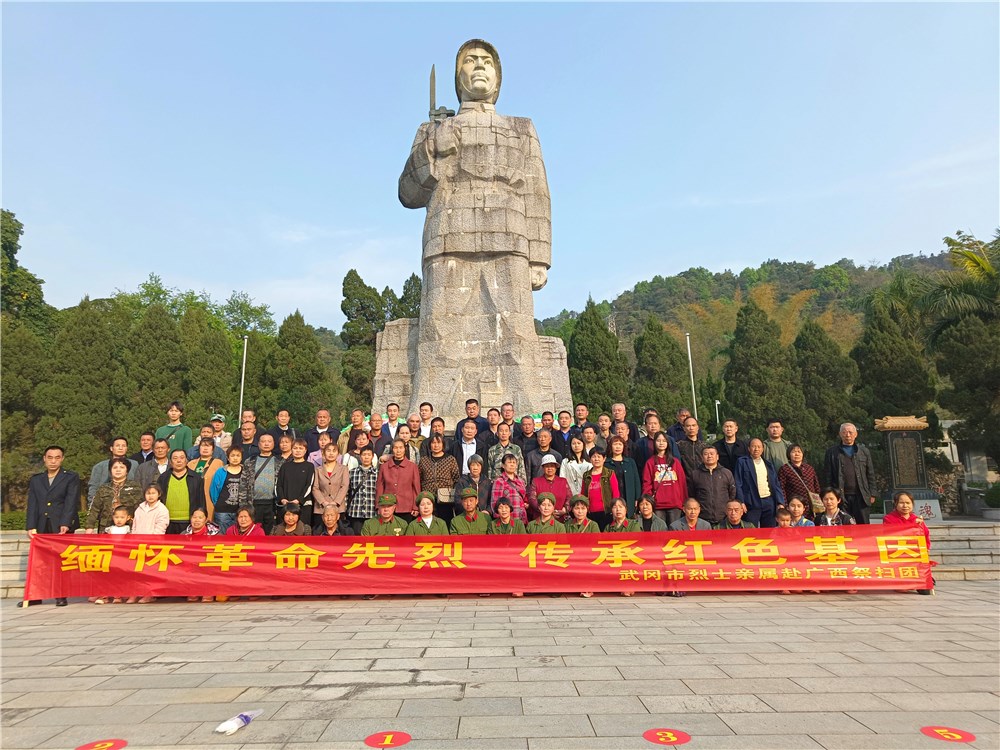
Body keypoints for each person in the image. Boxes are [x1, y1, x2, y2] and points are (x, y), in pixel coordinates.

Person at [22, 446, 79, 607]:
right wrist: (30, 525)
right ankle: (35, 595)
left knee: (61, 561)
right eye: (50, 457)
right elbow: (32, 503)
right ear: (44, 459)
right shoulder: (36, 479)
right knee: (39, 562)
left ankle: (61, 595)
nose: (53, 461)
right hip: (41, 524)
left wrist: (65, 523)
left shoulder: (70, 477)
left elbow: (71, 501)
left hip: (61, 525)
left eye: (57, 457)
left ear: (62, 459)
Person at [823, 422, 878, 525]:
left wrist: (872, 493)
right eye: (844, 432)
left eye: (850, 432)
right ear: (840, 434)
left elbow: (870, 473)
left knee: (864, 525)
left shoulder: (864, 451)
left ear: (856, 434)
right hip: (840, 496)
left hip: (861, 495)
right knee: (842, 525)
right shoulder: (831, 452)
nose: (847, 435)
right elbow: (827, 475)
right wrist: (829, 494)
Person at [883, 491, 932, 595]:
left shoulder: (917, 520)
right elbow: (890, 536)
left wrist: (920, 527)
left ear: (912, 504)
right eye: (901, 503)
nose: (905, 506)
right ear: (895, 504)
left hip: (914, 554)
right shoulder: (889, 519)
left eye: (908, 503)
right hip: (897, 552)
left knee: (925, 591)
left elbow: (925, 538)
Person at [734, 438, 784, 528]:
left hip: (768, 501)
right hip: (751, 502)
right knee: (750, 531)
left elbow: (776, 484)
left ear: (762, 449)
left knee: (769, 531)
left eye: (759, 447)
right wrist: (741, 502)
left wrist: (780, 502)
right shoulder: (742, 462)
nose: (756, 449)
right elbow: (738, 483)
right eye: (753, 446)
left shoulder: (768, 464)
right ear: (749, 448)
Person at [641, 431, 688, 526]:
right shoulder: (650, 462)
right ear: (654, 443)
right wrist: (648, 501)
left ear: (668, 443)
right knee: (659, 531)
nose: (661, 443)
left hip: (675, 503)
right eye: (658, 440)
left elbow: (682, 483)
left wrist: (684, 502)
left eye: (664, 441)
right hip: (658, 504)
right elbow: (647, 483)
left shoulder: (675, 462)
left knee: (674, 531)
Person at [86, 458, 143, 532]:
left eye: (122, 467)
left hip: (129, 528)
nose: (118, 470)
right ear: (110, 471)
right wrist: (89, 527)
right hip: (105, 528)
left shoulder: (135, 487)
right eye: (115, 467)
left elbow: (140, 509)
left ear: (127, 471)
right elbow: (94, 509)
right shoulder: (103, 488)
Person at [686, 445, 737, 527]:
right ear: (702, 457)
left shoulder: (726, 473)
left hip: (723, 518)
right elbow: (692, 494)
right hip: (703, 518)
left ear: (717, 457)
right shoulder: (695, 474)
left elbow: (732, 493)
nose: (709, 456)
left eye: (712, 454)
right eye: (706, 454)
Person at [241, 434, 283, 532]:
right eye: (263, 441)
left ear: (273, 444)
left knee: (271, 531)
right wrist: (243, 505)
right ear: (259, 444)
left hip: (272, 504)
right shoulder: (250, 461)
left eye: (269, 441)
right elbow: (243, 484)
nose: (266, 444)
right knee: (254, 531)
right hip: (253, 503)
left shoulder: (280, 462)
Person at [158, 449, 206, 533]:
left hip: (188, 521)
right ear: (170, 462)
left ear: (186, 460)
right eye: (175, 458)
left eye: (182, 457)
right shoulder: (163, 478)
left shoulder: (196, 478)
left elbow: (201, 500)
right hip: (167, 521)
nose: (179, 461)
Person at [87, 437, 138, 507]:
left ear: (126, 448)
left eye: (123, 446)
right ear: (111, 448)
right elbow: (93, 487)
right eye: (117, 446)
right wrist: (92, 505)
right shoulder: (99, 466)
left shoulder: (134, 464)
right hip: (105, 505)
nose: (120, 448)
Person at [376, 438, 421, 517]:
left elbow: (416, 488)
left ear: (405, 449)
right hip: (388, 506)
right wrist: (378, 506)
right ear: (392, 449)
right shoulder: (384, 467)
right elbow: (380, 487)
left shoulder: (412, 467)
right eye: (395, 448)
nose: (398, 450)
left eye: (401, 447)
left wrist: (416, 507)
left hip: (407, 507)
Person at [418, 435, 460, 517]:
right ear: (430, 445)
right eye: (433, 442)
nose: (436, 445)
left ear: (443, 444)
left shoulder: (450, 459)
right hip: (428, 497)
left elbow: (456, 478)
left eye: (439, 442)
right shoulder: (424, 460)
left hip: (446, 498)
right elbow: (420, 478)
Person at [209, 446, 248, 533]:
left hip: (240, 511)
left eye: (238, 456)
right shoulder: (221, 471)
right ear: (228, 457)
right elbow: (213, 490)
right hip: (222, 510)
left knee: (238, 535)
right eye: (232, 455)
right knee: (222, 535)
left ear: (241, 457)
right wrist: (218, 503)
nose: (235, 458)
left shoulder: (246, 471)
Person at [778, 444, 821, 520]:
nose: (797, 454)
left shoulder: (809, 468)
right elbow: (781, 488)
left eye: (799, 451)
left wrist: (818, 501)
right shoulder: (784, 469)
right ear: (789, 454)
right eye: (794, 452)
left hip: (810, 506)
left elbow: (816, 486)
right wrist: (784, 504)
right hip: (794, 506)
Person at [579, 448, 618, 529]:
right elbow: (583, 494)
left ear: (604, 459)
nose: (596, 459)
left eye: (599, 456)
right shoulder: (586, 475)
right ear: (590, 459)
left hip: (606, 512)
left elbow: (615, 492)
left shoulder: (609, 474)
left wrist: (614, 509)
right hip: (590, 512)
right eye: (593, 457)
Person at [312, 442, 349, 525]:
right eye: (328, 451)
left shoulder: (343, 469)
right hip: (321, 508)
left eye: (334, 451)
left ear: (338, 454)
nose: (331, 453)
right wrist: (323, 502)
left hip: (338, 508)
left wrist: (335, 502)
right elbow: (315, 488)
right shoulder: (318, 470)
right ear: (323, 453)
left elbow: (344, 486)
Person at [276, 438, 314, 519]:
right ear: (291, 450)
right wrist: (282, 499)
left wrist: (299, 500)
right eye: (295, 448)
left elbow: (309, 485)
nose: (298, 451)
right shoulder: (285, 466)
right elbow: (278, 484)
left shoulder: (309, 466)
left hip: (303, 505)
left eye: (301, 448)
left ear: (305, 450)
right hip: (286, 505)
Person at [347, 445, 380, 535]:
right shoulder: (352, 472)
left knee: (372, 537)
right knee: (357, 538)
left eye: (369, 455)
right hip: (356, 511)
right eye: (364, 454)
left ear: (372, 456)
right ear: (360, 456)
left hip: (372, 512)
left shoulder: (378, 473)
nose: (366, 457)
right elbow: (347, 491)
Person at [528, 454, 571, 522]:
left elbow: (569, 497)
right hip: (540, 519)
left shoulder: (563, 481)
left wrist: (564, 510)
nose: (550, 468)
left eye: (552, 466)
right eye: (547, 466)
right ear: (543, 468)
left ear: (556, 468)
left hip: (560, 519)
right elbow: (532, 499)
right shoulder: (536, 481)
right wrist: (545, 511)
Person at [606, 436, 641, 518]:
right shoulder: (606, 463)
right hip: (612, 496)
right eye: (615, 444)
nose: (617, 446)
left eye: (620, 444)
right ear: (611, 446)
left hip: (628, 496)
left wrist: (637, 498)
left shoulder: (630, 462)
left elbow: (636, 481)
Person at [490, 452, 528, 522]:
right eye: (509, 462)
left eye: (514, 462)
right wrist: (499, 518)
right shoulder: (499, 481)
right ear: (503, 465)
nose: (512, 465)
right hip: (506, 519)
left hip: (521, 518)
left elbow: (524, 498)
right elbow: (494, 502)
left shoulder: (521, 481)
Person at [189, 437, 225, 509]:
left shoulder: (218, 463)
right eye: (202, 446)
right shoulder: (190, 464)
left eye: (208, 446)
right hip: (192, 499)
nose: (205, 448)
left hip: (209, 499)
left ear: (213, 449)